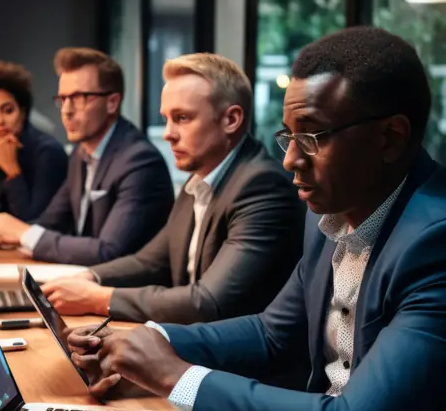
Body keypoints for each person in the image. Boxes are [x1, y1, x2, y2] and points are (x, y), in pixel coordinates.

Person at [68, 27, 446, 411]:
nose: (292, 158)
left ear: (391, 136)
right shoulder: (332, 214)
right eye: (288, 135)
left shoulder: (435, 243)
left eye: (314, 137)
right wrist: (151, 338)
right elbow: (273, 335)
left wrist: (175, 378)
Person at [41, 53, 303, 323]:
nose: (168, 133)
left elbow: (207, 302)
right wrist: (89, 277)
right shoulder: (200, 177)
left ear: (231, 120)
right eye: (166, 118)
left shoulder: (261, 186)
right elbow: (152, 261)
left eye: (182, 118)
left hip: (243, 362)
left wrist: (96, 298)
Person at [0, 47, 174, 265]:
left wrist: (24, 234)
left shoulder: (139, 161)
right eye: (63, 99)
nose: (66, 110)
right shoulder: (81, 152)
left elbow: (109, 251)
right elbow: (51, 222)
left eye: (79, 97)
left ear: (112, 102)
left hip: (122, 292)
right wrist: (8, 236)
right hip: (81, 279)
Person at [0, 60, 67, 222]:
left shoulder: (48, 152)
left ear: (23, 111)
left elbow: (33, 225)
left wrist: (13, 171)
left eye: (8, 110)